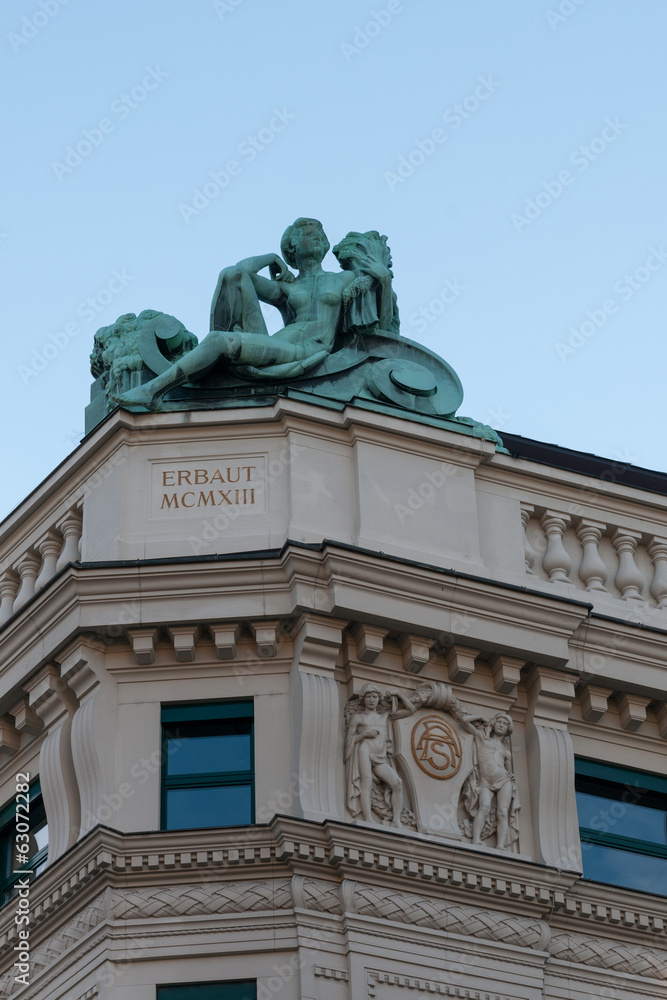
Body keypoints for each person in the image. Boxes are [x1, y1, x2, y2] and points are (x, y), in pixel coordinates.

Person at [116, 218, 392, 411]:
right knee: (230, 274)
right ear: (292, 248)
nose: (317, 235)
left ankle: (153, 391)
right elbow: (239, 272)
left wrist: (384, 281)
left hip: (308, 348)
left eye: (320, 231)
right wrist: (271, 257)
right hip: (282, 343)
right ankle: (215, 357)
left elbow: (379, 327)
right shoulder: (288, 286)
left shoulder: (344, 279)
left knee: (217, 341)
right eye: (308, 232)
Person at [344, 683, 416, 827]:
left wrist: (400, 695)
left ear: (379, 699)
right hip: (365, 750)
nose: (372, 700)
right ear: (363, 699)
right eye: (369, 697)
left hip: (380, 756)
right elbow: (349, 741)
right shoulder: (358, 718)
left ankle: (396, 820)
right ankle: (368, 818)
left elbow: (411, 710)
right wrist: (364, 734)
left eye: (375, 697)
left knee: (397, 782)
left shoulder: (385, 716)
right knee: (367, 781)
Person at [459, 712, 520, 850]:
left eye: (505, 724)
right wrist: (480, 717)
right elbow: (464, 721)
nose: (501, 725)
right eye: (499, 722)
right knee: (484, 807)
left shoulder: (506, 751)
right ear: (493, 723)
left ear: (507, 729)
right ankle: (475, 840)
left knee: (503, 811)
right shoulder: (482, 738)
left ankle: (500, 845)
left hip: (504, 780)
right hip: (485, 781)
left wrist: (510, 776)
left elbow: (509, 768)